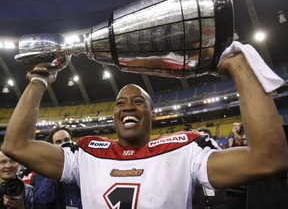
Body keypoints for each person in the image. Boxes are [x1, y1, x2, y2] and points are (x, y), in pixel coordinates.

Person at [2, 49, 288, 208]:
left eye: (138, 101)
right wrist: (38, 82)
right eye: (119, 102)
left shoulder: (186, 150)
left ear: (152, 114)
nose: (127, 106)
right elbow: (16, 146)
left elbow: (267, 158)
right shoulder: (85, 153)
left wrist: (240, 68)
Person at [33, 126, 82, 209]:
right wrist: (52, 172)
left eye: (67, 140)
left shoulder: (82, 165)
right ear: (52, 147)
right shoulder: (43, 171)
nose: (64, 144)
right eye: (58, 142)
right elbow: (41, 202)